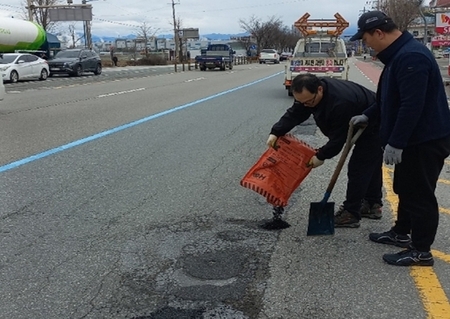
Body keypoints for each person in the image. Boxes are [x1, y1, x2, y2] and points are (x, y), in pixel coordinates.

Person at [349, 11, 450, 266]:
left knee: (419, 194)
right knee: (404, 188)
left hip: (424, 140)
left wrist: (397, 142)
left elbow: (410, 106)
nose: (366, 44)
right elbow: (388, 98)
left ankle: (421, 250)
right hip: (415, 138)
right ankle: (401, 233)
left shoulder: (410, 57)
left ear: (379, 33)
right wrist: (368, 115)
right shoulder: (399, 55)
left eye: (366, 39)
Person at [267, 73, 383, 228]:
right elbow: (296, 113)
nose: (307, 105)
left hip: (378, 123)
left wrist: (321, 155)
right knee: (371, 165)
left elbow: (338, 139)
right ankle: (372, 204)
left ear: (319, 90)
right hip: (357, 119)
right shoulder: (308, 96)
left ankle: (351, 213)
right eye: (303, 102)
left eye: (309, 102)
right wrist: (276, 132)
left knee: (360, 167)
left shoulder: (341, 102)